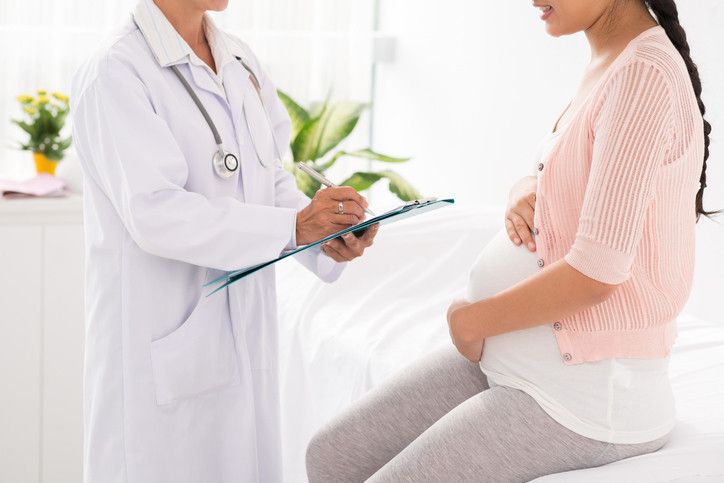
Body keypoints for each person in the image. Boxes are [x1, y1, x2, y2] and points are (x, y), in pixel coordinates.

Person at [305, 0, 719, 481]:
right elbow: (590, 188)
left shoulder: (643, 76)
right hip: (521, 360)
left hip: (581, 396)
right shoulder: (615, 59)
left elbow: (598, 271)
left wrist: (473, 320)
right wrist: (525, 187)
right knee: (331, 455)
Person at [71, 0, 377, 481]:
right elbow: (156, 214)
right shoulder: (116, 70)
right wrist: (294, 228)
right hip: (162, 347)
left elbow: (268, 179)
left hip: (242, 342)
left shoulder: (238, 59)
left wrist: (323, 235)